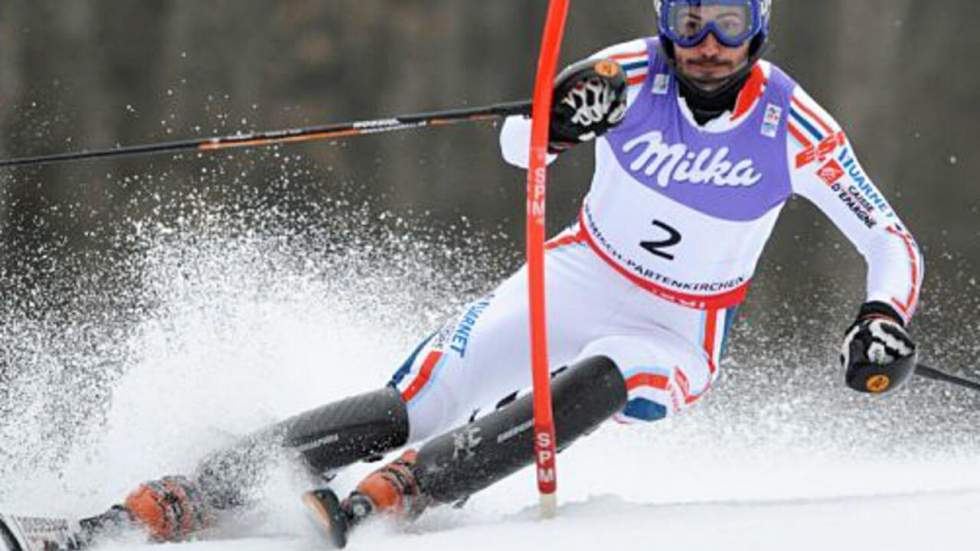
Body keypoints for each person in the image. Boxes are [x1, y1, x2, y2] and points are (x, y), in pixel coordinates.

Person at [95, 0, 924, 548]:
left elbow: (888, 237)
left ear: (760, 27)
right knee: (412, 401)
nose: (708, 46)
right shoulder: (629, 74)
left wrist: (881, 314)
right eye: (690, 21)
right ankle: (175, 499)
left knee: (604, 375)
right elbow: (517, 147)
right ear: (666, 20)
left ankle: (406, 488)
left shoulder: (794, 124)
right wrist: (555, 123)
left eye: (729, 24)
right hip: (580, 273)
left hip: (677, 328)